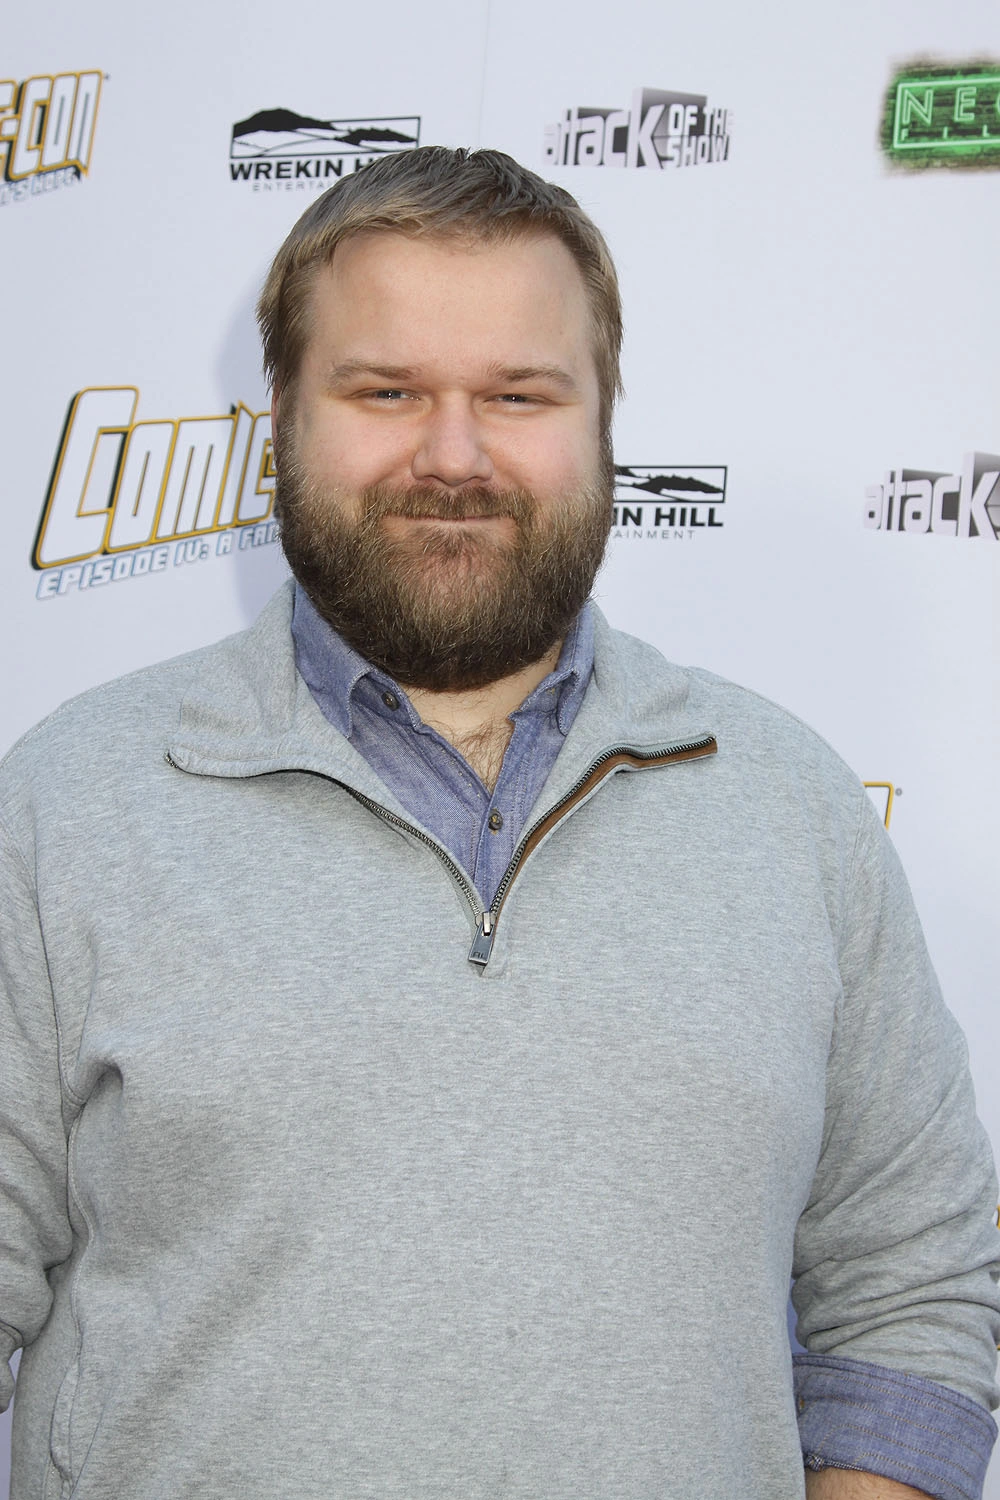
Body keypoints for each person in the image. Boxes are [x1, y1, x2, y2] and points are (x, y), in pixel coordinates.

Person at [1, 147, 997, 1500]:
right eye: (386, 391)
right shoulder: (67, 804)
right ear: (281, 413)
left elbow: (914, 1288)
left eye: (519, 395)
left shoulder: (793, 809)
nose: (454, 456)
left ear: (602, 420)